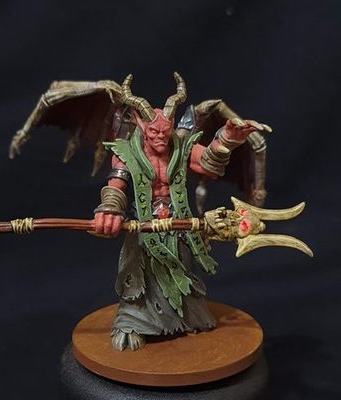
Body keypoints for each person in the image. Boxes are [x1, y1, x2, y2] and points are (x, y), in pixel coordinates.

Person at [93, 73, 266, 351]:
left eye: (165, 132)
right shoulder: (125, 152)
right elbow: (116, 185)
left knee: (182, 269)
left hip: (179, 225)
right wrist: (110, 211)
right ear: (139, 123)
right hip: (144, 229)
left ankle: (185, 320)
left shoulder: (182, 145)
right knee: (140, 278)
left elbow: (208, 164)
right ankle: (132, 323)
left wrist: (227, 140)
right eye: (154, 134)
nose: (161, 138)